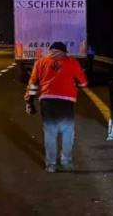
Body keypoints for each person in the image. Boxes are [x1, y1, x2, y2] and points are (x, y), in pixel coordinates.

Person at [25, 41, 88, 172]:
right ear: (65, 52)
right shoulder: (72, 62)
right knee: (67, 132)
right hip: (66, 102)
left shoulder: (41, 62)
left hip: (47, 101)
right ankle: (66, 162)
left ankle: (51, 164)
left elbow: (33, 84)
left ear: (50, 50)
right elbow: (84, 82)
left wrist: (29, 102)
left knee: (50, 133)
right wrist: (76, 84)